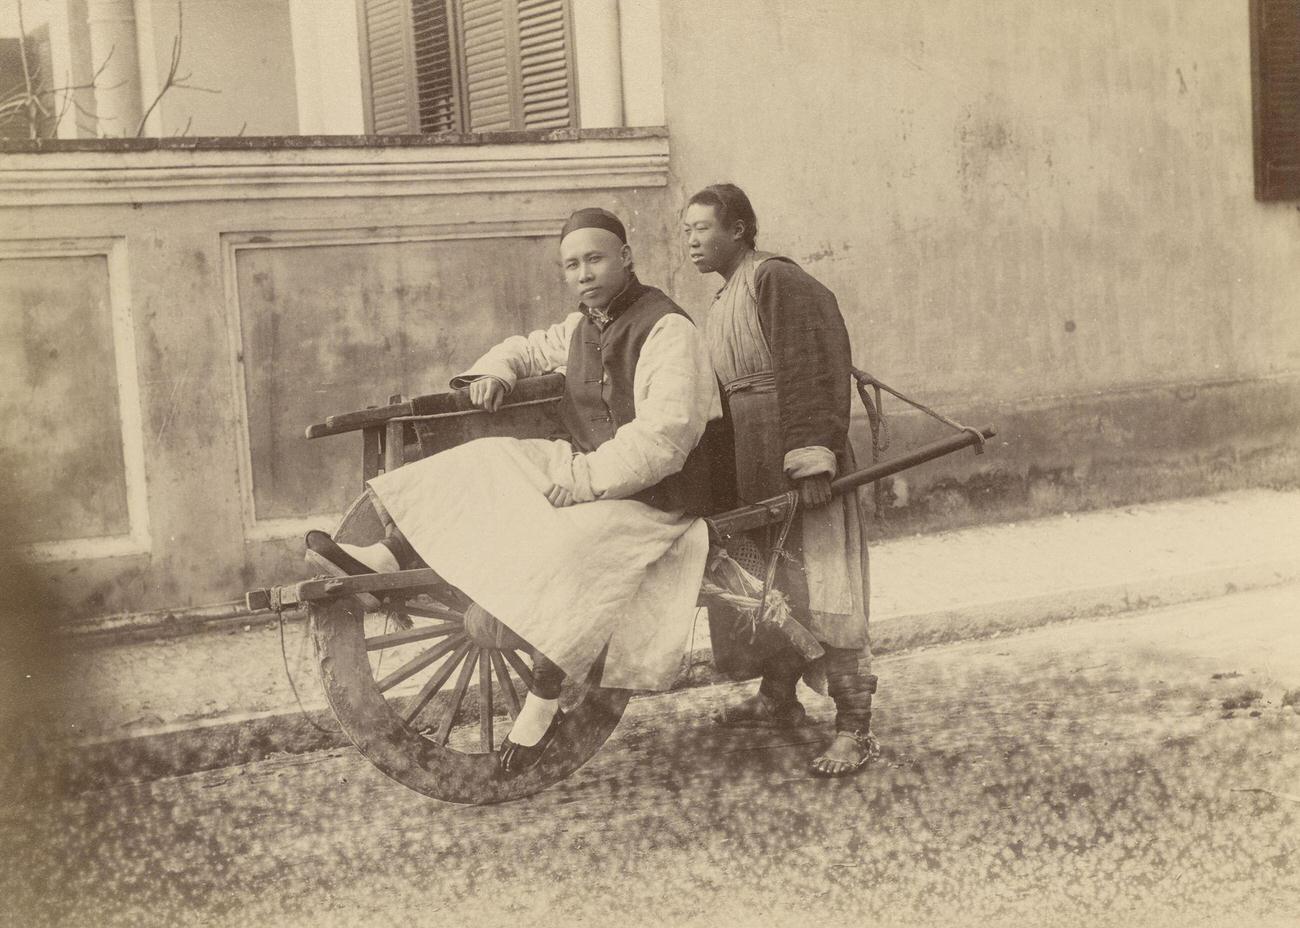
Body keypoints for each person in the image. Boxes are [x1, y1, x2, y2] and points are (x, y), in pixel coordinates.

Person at [307, 207, 720, 775]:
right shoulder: (582, 326)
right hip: (591, 474)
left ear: (626, 258)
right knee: (485, 460)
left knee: (560, 547)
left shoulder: (668, 329)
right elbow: (528, 348)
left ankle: (545, 699)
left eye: (596, 259)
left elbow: (664, 438)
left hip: (657, 497)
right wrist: (496, 372)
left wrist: (581, 479)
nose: (584, 274)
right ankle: (385, 559)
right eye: (572, 264)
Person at [683, 183, 879, 777]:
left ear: (739, 229)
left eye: (702, 228)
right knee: (767, 574)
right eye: (686, 230)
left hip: (793, 444)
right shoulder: (723, 302)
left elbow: (814, 362)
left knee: (823, 577)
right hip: (750, 455)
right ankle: (778, 697)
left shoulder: (776, 279)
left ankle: (855, 728)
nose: (692, 240)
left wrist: (813, 451)